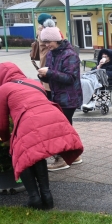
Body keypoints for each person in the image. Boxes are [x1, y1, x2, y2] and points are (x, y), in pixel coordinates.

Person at [0, 63, 84, 210]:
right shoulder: (34, 82)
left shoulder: (4, 89)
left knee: (23, 158)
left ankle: (34, 199)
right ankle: (47, 196)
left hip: (29, 121)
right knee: (37, 155)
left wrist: (6, 139)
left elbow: (1, 123)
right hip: (54, 117)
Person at [37, 26, 83, 171]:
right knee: (65, 127)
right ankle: (74, 156)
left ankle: (64, 158)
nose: (46, 45)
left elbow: (70, 78)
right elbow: (52, 73)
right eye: (44, 42)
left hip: (69, 98)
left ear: (56, 39)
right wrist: (43, 75)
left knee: (62, 128)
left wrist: (49, 73)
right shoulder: (52, 54)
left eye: (47, 41)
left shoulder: (70, 55)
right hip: (56, 96)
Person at [36, 13, 59, 100]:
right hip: (47, 60)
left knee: (47, 83)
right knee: (48, 85)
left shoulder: (41, 31)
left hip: (45, 60)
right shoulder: (44, 33)